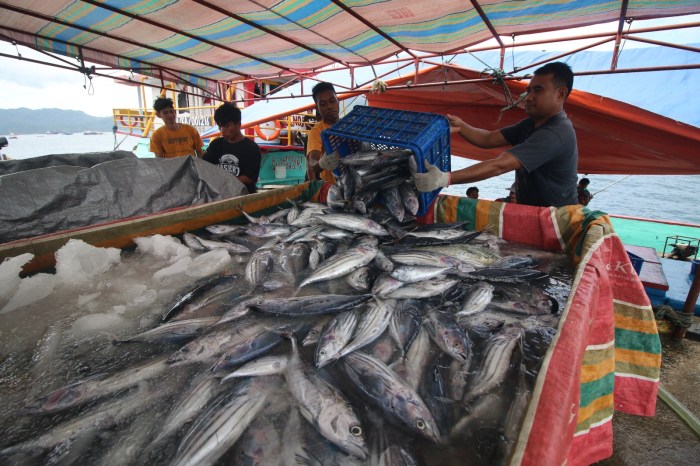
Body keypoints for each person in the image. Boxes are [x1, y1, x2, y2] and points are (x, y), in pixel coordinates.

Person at [413, 62, 578, 208]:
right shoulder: (532, 123)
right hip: (532, 210)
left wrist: (444, 179)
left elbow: (499, 165)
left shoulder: (555, 133)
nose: (528, 97)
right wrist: (462, 127)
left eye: (537, 90)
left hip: (558, 218)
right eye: (528, 91)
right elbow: (489, 138)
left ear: (560, 94)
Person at [203, 102, 261, 194]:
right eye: (220, 126)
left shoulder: (252, 149)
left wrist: (224, 183)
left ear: (238, 124)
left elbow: (249, 178)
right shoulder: (216, 145)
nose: (222, 130)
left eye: (227, 126)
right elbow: (204, 167)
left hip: (243, 198)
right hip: (219, 198)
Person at [305, 82, 340, 183]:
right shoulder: (317, 131)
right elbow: (312, 162)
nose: (329, 106)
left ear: (338, 101)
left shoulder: (348, 125)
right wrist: (321, 163)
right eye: (323, 104)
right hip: (333, 188)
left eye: (332, 101)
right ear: (318, 108)